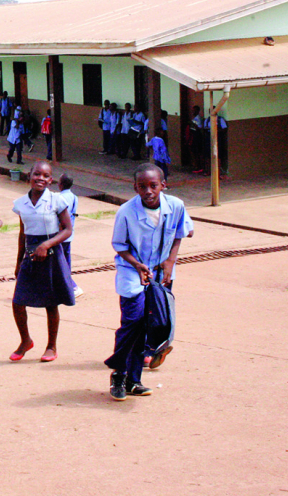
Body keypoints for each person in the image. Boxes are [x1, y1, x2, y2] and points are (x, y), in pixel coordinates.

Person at [106, 163, 193, 401]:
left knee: (151, 325)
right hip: (132, 271)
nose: (148, 191)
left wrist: (170, 261)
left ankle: (135, 380)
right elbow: (120, 246)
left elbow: (181, 233)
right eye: (142, 186)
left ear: (163, 185)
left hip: (161, 274)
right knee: (132, 322)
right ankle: (119, 374)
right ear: (135, 188)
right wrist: (137, 265)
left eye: (153, 185)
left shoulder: (175, 206)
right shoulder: (125, 212)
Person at [9, 161, 75, 363]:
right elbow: (22, 233)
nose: (41, 178)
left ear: (51, 180)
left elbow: (67, 229)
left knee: (51, 302)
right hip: (30, 255)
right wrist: (19, 261)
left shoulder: (56, 201)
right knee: (18, 302)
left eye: (46, 176)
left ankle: (51, 346)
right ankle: (25, 340)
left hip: (51, 255)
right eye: (37, 174)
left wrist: (46, 245)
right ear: (29, 176)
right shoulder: (21, 204)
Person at [57, 174, 84, 297]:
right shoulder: (74, 197)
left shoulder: (60, 198)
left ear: (61, 184)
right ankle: (67, 287)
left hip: (61, 235)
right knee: (65, 262)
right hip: (69, 234)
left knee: (59, 262)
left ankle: (73, 286)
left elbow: (62, 217)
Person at [189, 105, 205, 174]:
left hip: (197, 136)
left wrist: (193, 124)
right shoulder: (195, 118)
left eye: (194, 110)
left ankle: (199, 167)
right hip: (194, 135)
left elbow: (199, 127)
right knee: (194, 152)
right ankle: (196, 166)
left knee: (197, 152)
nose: (193, 111)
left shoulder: (198, 118)